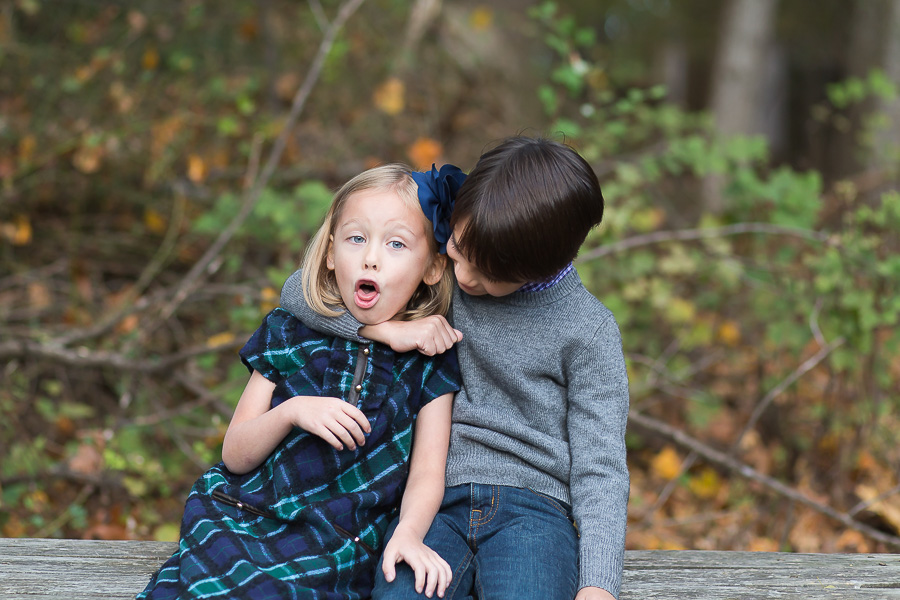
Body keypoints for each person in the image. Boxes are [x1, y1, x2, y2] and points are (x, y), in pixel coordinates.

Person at [281, 136, 630, 600]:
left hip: (535, 511)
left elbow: (601, 467)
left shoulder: (588, 331)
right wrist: (382, 331)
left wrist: (598, 586)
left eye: (486, 276)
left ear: (538, 269)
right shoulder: (446, 273)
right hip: (432, 501)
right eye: (459, 250)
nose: (463, 277)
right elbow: (297, 292)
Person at [137, 163, 467, 600]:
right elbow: (235, 454)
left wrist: (408, 533)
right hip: (249, 515)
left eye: (396, 243)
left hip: (340, 543)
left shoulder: (429, 363)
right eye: (356, 238)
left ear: (431, 268)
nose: (371, 257)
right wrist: (292, 411)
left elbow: (427, 473)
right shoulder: (288, 332)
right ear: (331, 254)